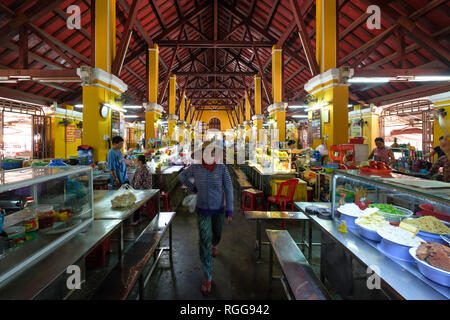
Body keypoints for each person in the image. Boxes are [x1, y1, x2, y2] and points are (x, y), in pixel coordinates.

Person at [178, 140, 233, 296]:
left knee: (217, 234)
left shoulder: (222, 169)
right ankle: (208, 276)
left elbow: (229, 189)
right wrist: (193, 187)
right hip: (202, 209)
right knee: (204, 240)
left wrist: (229, 210)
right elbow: (181, 176)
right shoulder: (195, 168)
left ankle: (214, 244)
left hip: (219, 210)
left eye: (213, 151)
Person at [130, 155, 152, 226]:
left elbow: (146, 183)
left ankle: (136, 219)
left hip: (144, 190)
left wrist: (138, 191)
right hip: (137, 190)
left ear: (140, 162)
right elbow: (134, 179)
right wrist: (133, 188)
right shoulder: (138, 168)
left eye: (136, 160)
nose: (135, 162)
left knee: (136, 201)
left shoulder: (146, 170)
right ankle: (136, 216)